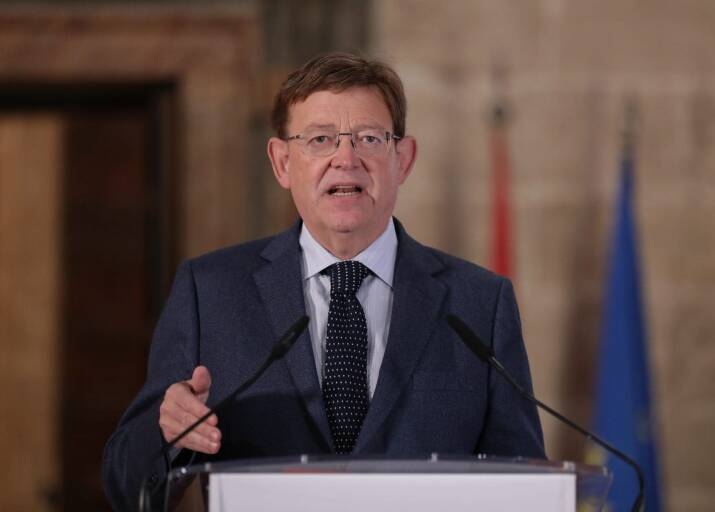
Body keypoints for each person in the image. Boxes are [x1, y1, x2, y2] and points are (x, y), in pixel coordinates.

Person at [102, 52, 545, 511]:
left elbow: (527, 489)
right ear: (282, 163)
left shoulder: (479, 304)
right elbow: (125, 488)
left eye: (369, 138)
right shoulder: (210, 293)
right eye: (320, 139)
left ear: (403, 159)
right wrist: (166, 434)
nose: (345, 159)